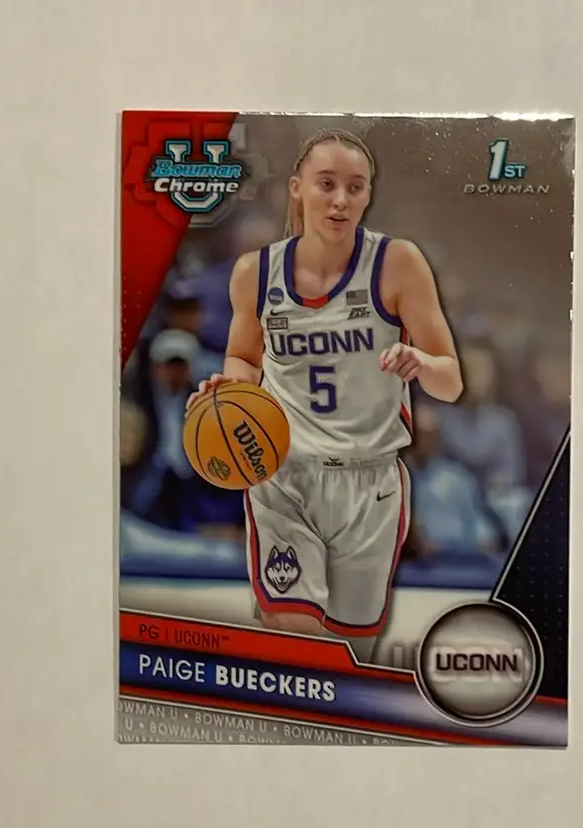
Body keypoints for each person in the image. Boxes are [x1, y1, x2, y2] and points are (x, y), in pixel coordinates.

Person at [185, 128, 463, 662]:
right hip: (285, 475)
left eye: (355, 187)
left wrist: (422, 363)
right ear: (297, 188)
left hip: (370, 484)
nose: (341, 200)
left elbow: (450, 382)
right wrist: (230, 392)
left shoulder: (398, 263)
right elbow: (243, 359)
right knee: (295, 641)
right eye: (327, 183)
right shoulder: (255, 273)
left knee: (348, 658)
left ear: (368, 193)